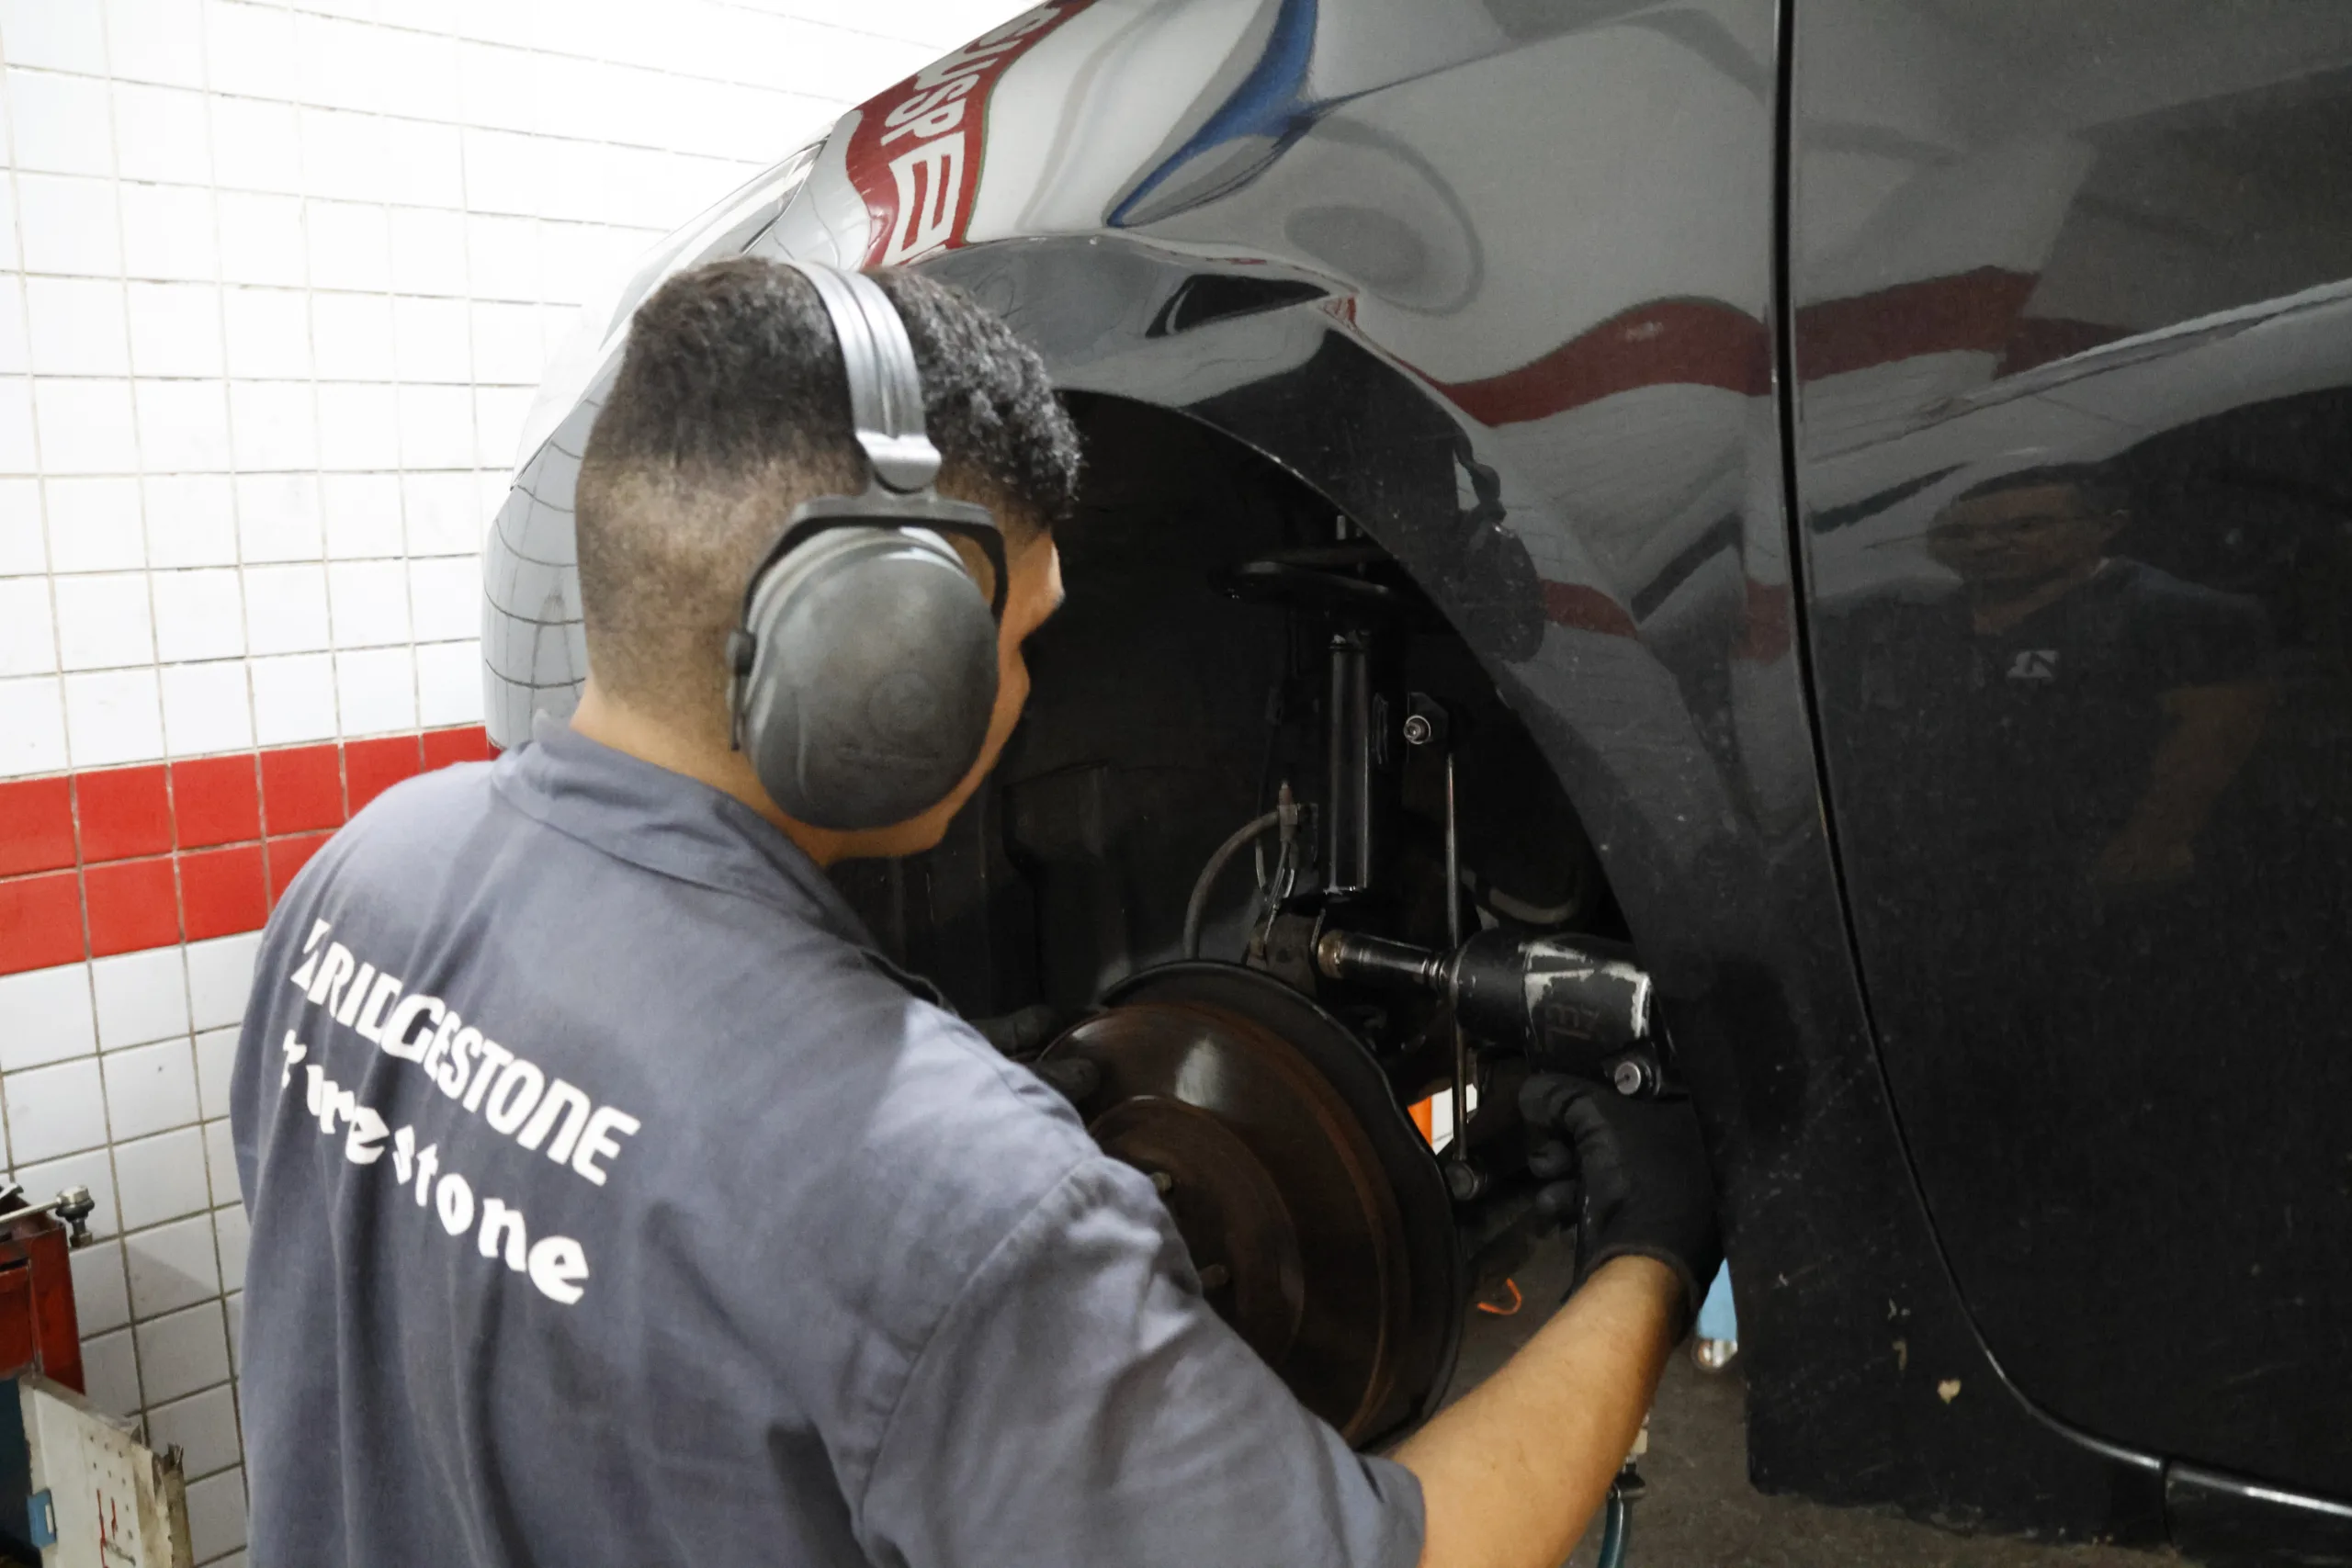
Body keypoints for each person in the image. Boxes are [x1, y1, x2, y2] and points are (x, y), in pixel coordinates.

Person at [230, 256, 1718, 1568]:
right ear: (875, 654)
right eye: (1015, 637)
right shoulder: (949, 1189)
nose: (1022, 690)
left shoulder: (356, 883)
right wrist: (1656, 1242)